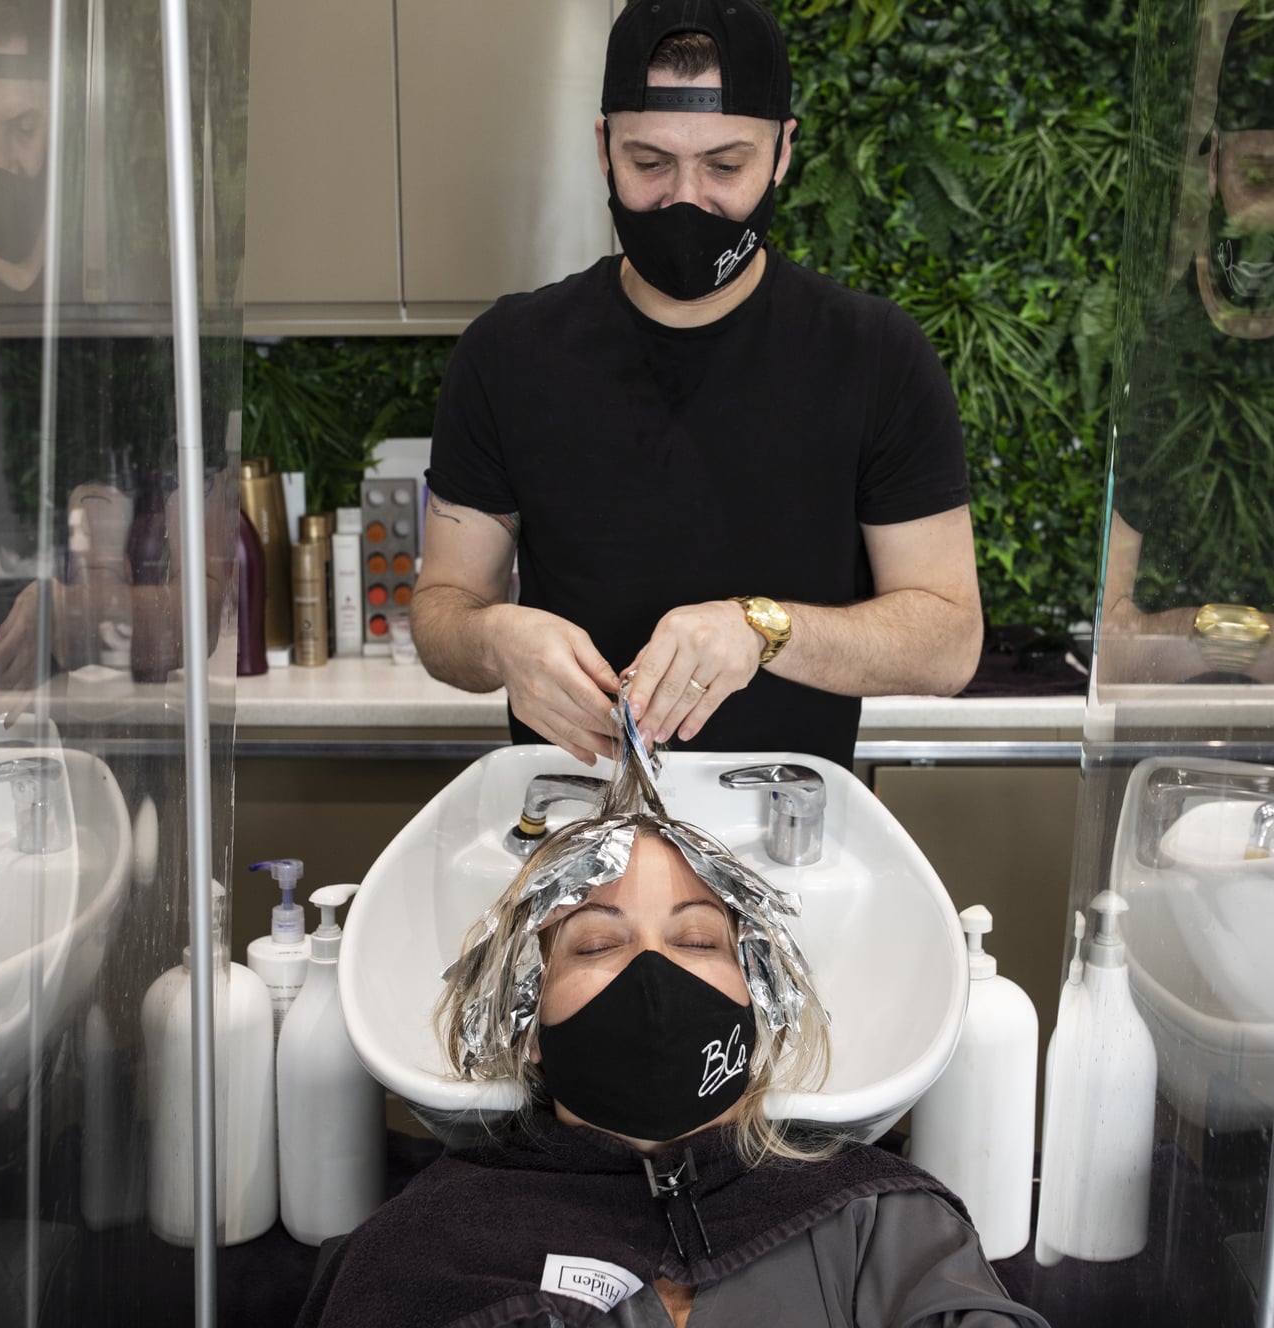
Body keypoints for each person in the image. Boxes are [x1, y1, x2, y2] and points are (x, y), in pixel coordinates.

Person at [284, 752, 1061, 1328]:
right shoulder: (431, 1253)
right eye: (597, 941)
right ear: (527, 1022)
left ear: (757, 1001)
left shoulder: (875, 1221)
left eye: (696, 939)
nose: (654, 972)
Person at [411, 0, 984, 771]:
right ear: (604, 147)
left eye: (725, 165)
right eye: (650, 163)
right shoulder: (507, 354)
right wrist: (494, 639)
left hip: (791, 842)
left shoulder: (876, 355)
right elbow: (444, 610)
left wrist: (763, 629)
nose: (685, 200)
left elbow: (949, 642)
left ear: (783, 152)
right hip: (579, 825)